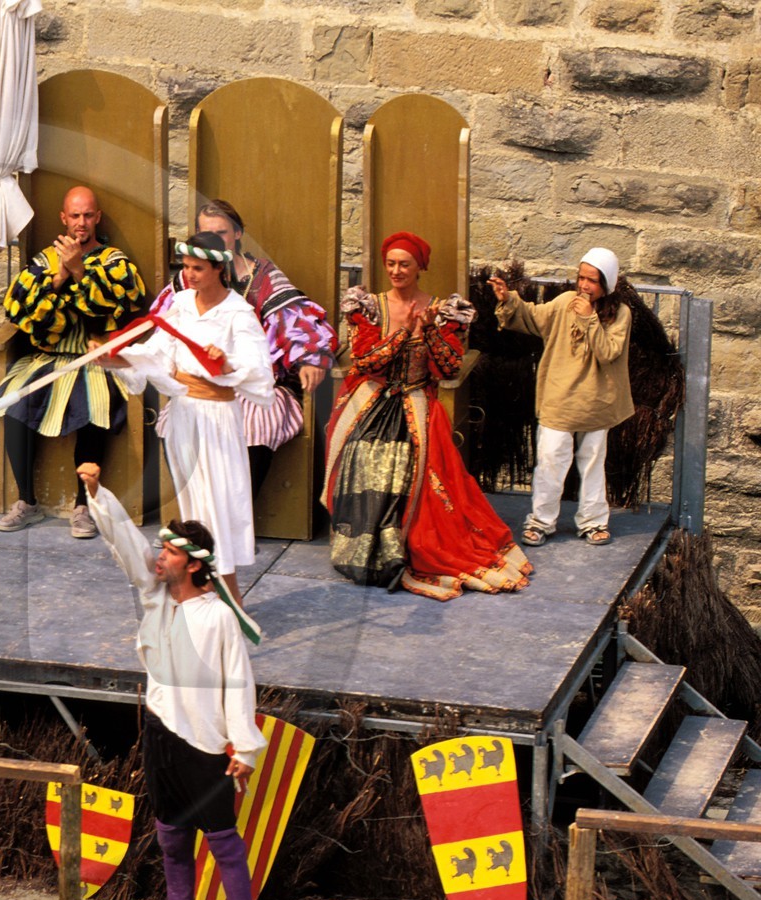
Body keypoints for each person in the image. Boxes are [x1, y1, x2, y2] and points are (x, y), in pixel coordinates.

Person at [77, 461, 265, 900]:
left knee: (223, 840)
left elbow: (238, 684)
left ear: (196, 565)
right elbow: (125, 543)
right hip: (160, 731)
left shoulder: (220, 617)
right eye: (161, 549)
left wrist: (243, 749)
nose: (159, 557)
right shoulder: (155, 596)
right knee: (170, 835)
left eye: (170, 552)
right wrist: (97, 492)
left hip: (205, 742)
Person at [323, 231, 532, 601]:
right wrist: (405, 332)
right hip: (373, 396)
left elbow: (449, 367)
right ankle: (369, 549)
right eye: (391, 264)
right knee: (357, 450)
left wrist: (429, 332)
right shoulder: (369, 306)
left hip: (416, 399)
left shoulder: (442, 309)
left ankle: (403, 549)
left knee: (420, 471)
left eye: (404, 264)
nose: (396, 270)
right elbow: (366, 360)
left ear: (421, 266)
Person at [104, 233, 273, 608]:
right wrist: (117, 359)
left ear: (219, 269)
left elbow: (260, 372)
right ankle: (199, 595)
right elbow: (156, 354)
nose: (189, 274)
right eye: (186, 267)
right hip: (183, 415)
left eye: (198, 268)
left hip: (216, 420)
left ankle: (230, 599)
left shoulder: (237, 313)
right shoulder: (179, 304)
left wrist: (227, 363)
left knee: (218, 505)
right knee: (193, 508)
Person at [153, 200, 336, 495]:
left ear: (237, 234)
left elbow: (297, 324)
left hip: (253, 385)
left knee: (254, 422)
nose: (215, 240)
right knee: (173, 424)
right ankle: (197, 515)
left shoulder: (263, 277)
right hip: (202, 385)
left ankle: (238, 514)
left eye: (222, 232)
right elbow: (162, 326)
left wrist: (311, 358)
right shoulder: (189, 279)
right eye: (206, 232)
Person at [0, 186, 148, 538]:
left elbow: (118, 305)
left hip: (94, 357)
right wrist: (61, 275)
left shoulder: (114, 260)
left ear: (98, 218)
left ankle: (83, 506)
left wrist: (80, 271)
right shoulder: (44, 259)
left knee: (93, 408)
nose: (82, 223)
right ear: (64, 218)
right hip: (47, 359)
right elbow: (20, 309)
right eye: (75, 216)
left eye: (88, 215)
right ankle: (27, 502)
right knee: (14, 403)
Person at [489, 248, 632, 548]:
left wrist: (589, 318)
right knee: (551, 461)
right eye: (581, 277)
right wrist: (508, 299)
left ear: (607, 283)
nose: (583, 285)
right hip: (559, 398)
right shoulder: (566, 302)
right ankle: (541, 523)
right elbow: (532, 317)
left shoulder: (620, 314)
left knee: (593, 463)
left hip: (597, 402)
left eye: (592, 280)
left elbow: (608, 353)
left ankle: (593, 523)